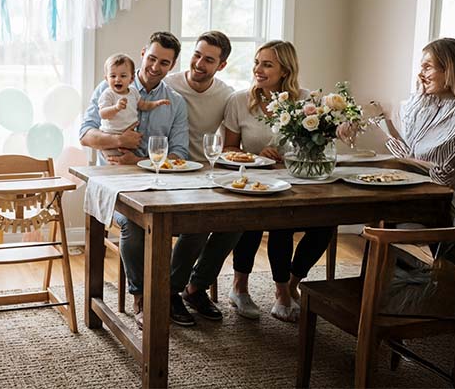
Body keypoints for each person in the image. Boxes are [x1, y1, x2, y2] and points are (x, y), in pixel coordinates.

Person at [80, 31, 193, 327]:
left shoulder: (175, 102)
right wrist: (117, 138)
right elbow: (86, 135)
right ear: (143, 53)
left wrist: (139, 160)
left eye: (164, 62)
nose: (156, 66)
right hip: (115, 180)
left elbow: (179, 152)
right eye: (152, 58)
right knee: (133, 224)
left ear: (172, 65)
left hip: (157, 181)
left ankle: (170, 290)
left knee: (197, 223)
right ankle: (141, 296)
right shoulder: (109, 87)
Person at [223, 40, 332, 322]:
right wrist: (255, 155)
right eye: (257, 63)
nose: (258, 69)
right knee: (266, 222)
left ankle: (291, 283)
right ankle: (242, 289)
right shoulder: (239, 100)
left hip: (297, 182)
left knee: (326, 224)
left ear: (285, 70)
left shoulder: (308, 101)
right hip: (255, 184)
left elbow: (318, 147)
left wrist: (295, 155)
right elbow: (228, 150)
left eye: (267, 64)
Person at [343, 38, 455, 230]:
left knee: (372, 212)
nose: (420, 74)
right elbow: (410, 154)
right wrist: (381, 123)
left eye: (427, 67)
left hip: (441, 211)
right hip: (414, 198)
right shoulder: (429, 107)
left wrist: (402, 157)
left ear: (450, 70)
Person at [161, 31, 243, 322]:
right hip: (171, 174)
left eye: (209, 60)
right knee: (196, 225)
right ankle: (169, 292)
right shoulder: (167, 85)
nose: (199, 63)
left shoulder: (226, 95)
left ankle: (196, 288)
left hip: (207, 174)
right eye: (197, 55)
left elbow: (234, 137)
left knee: (235, 222)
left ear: (221, 66)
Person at [97, 53, 170, 158]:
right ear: (106, 79)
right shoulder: (108, 94)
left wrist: (156, 103)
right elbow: (103, 114)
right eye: (113, 76)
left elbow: (143, 105)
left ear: (131, 79)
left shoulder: (133, 92)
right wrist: (116, 108)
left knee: (129, 161)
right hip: (112, 137)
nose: (117, 79)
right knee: (115, 162)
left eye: (123, 76)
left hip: (130, 137)